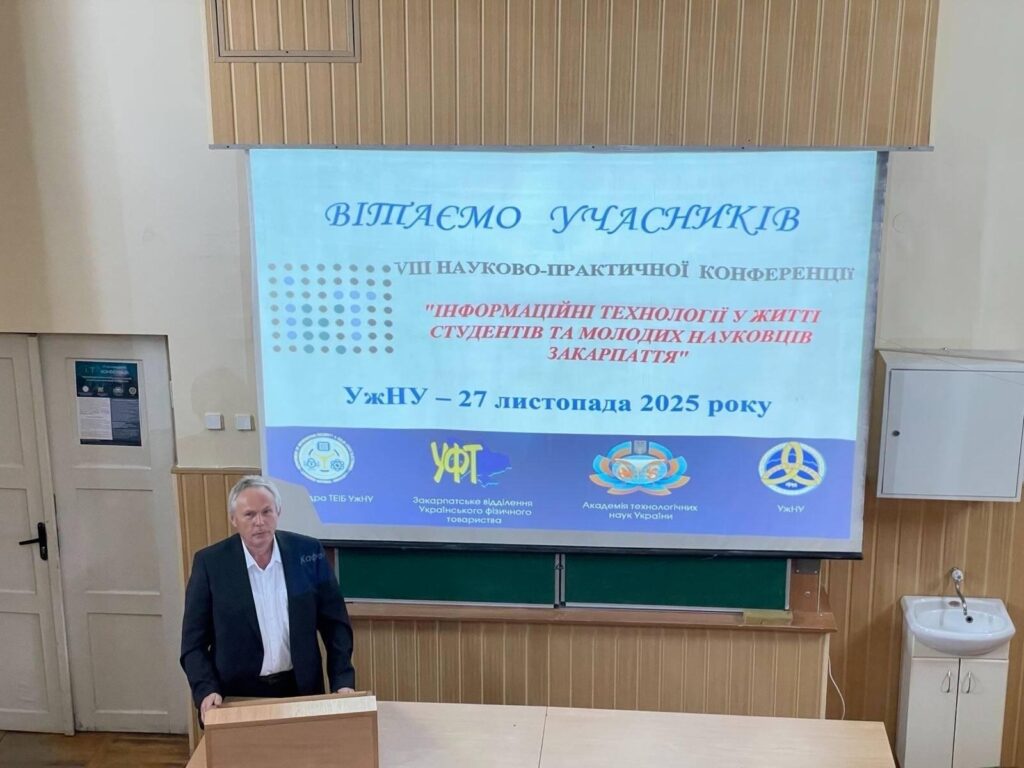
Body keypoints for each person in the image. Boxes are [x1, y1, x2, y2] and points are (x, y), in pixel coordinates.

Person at [180, 475, 355, 723]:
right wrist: (206, 689)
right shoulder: (210, 564)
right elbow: (193, 643)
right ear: (234, 519)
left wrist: (342, 681)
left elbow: (335, 624)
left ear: (278, 513)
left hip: (300, 689)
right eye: (249, 515)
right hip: (236, 695)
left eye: (266, 512)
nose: (259, 522)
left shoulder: (307, 553)